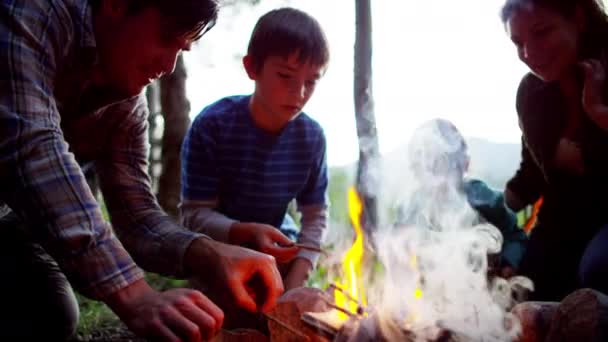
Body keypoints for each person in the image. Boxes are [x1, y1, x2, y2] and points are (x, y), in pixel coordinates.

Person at [0, 0, 284, 340]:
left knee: (51, 312)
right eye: (165, 38)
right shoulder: (34, 13)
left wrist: (208, 252)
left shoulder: (125, 105)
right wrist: (137, 296)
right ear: (115, 6)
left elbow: (136, 218)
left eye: (181, 50)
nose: (167, 65)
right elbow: (32, 149)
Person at [180, 7, 329, 294]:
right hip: (216, 251)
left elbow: (315, 217)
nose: (299, 93)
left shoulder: (311, 137)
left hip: (277, 253)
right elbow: (194, 216)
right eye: (285, 76)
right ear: (252, 68)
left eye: (311, 81)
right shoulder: (213, 125)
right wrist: (245, 232)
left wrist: (293, 285)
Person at [501, 0, 608, 300]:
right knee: (523, 292)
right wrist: (486, 215)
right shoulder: (532, 94)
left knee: (598, 269)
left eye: (542, 32)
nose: (529, 53)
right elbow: (533, 169)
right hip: (567, 217)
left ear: (578, 17)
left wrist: (599, 113)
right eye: (518, 42)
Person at [397, 119, 528, 276]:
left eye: (442, 164)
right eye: (427, 166)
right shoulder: (412, 209)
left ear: (463, 165)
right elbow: (397, 245)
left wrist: (508, 262)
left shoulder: (479, 196)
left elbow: (516, 236)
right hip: (433, 294)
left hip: (483, 290)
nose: (438, 180)